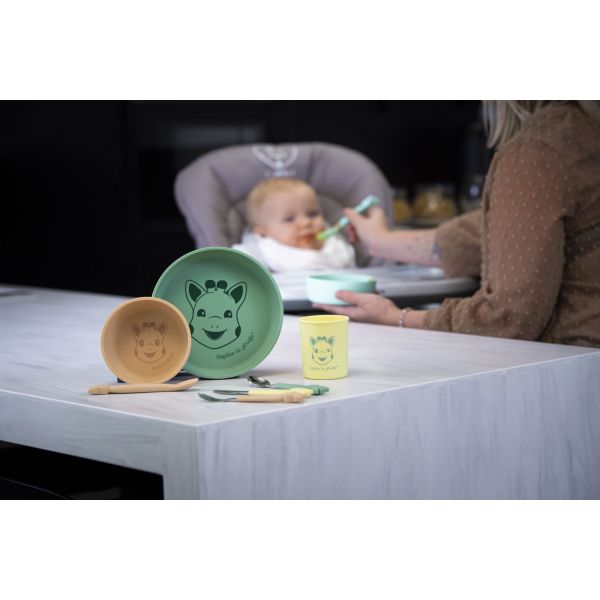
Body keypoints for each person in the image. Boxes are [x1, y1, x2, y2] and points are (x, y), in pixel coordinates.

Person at [314, 101, 600, 348]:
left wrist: (395, 318)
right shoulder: (582, 134)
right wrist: (382, 241)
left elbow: (508, 317)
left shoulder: (538, 151)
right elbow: (513, 234)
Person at [232, 177, 356, 272]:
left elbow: (351, 270)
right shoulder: (259, 253)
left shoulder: (335, 246)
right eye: (290, 219)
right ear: (262, 232)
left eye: (312, 214)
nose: (306, 222)